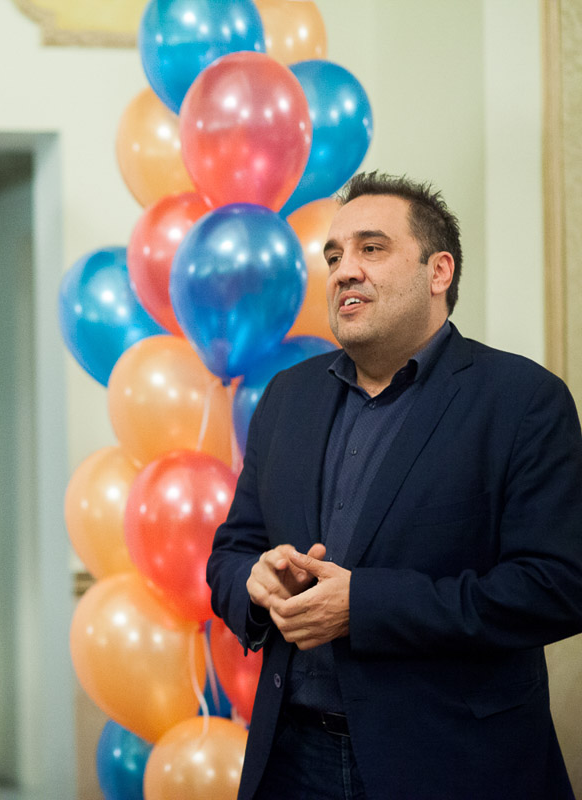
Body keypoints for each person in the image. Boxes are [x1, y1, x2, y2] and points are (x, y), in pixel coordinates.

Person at [207, 171, 582, 800]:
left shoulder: (523, 401)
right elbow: (231, 551)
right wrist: (255, 583)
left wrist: (365, 607)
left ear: (439, 272)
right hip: (291, 759)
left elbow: (556, 587)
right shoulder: (287, 397)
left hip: (453, 763)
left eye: (371, 249)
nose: (344, 271)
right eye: (334, 256)